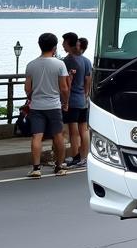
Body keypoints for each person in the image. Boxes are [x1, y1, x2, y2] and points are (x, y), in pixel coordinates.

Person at [24, 32, 70, 178]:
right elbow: (64, 88)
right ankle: (59, 166)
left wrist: (32, 97)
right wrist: (66, 102)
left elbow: (27, 89)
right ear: (55, 47)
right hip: (54, 105)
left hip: (37, 106)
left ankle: (36, 168)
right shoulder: (59, 64)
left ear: (40, 45)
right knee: (58, 135)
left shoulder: (31, 65)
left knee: (37, 136)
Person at [61, 32, 91, 168]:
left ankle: (76, 157)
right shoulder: (85, 60)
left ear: (68, 43)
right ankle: (84, 157)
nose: (62, 45)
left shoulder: (67, 61)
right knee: (84, 130)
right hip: (82, 100)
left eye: (64, 42)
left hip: (72, 100)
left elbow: (66, 83)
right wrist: (85, 94)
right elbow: (88, 80)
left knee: (73, 132)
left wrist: (64, 101)